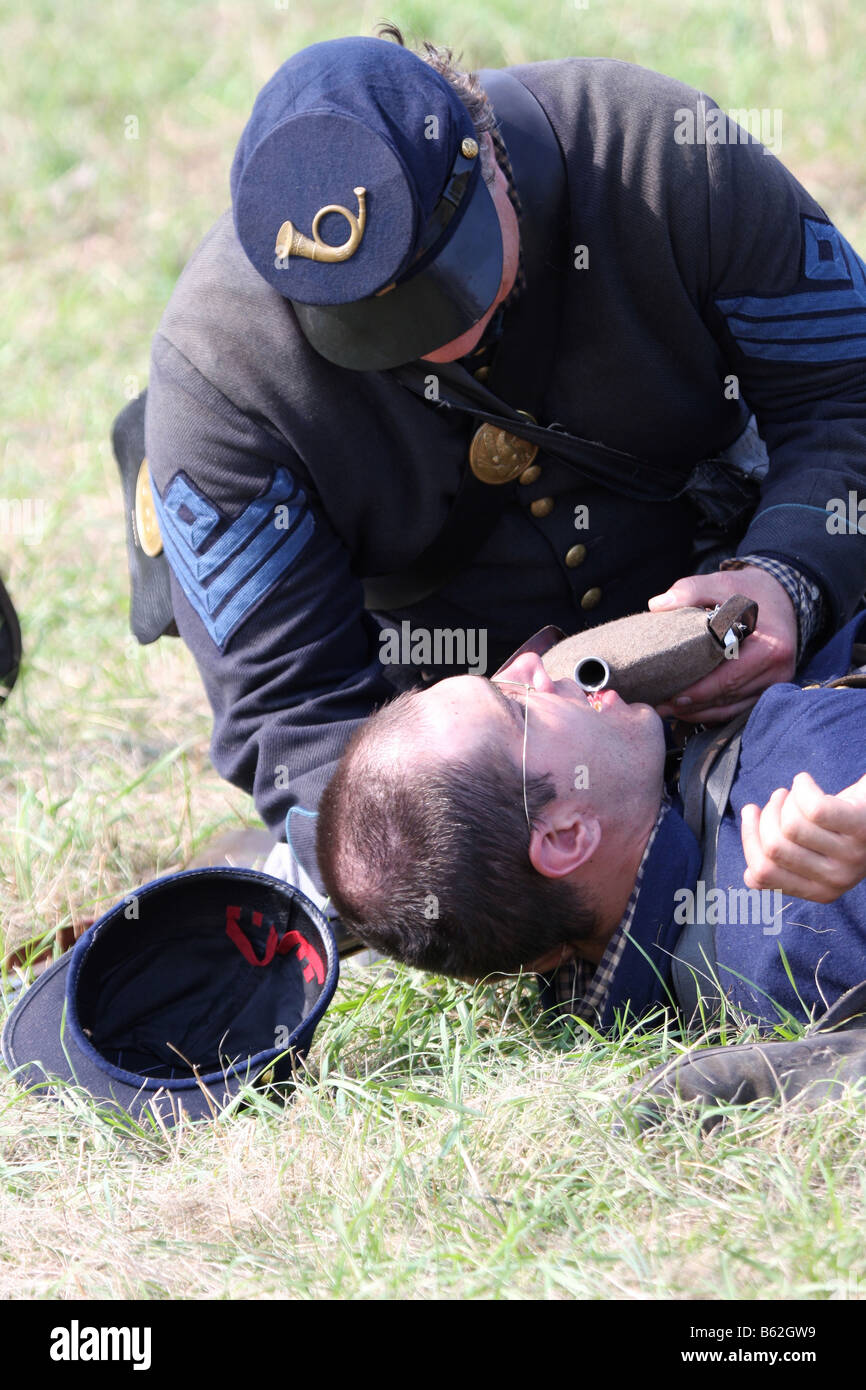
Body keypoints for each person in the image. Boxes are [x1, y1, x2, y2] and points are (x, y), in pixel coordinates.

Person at [139, 25, 866, 916]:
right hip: (492, 765)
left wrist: (795, 575)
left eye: (453, 283)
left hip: (743, 602)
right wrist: (487, 885)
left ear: (487, 165)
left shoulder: (658, 154)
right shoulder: (221, 376)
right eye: (381, 328)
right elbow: (290, 718)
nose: (440, 341)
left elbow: (847, 399)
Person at [314, 606, 866, 1107]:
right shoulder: (814, 782)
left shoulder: (616, 986)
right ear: (565, 837)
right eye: (515, 707)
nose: (531, 664)